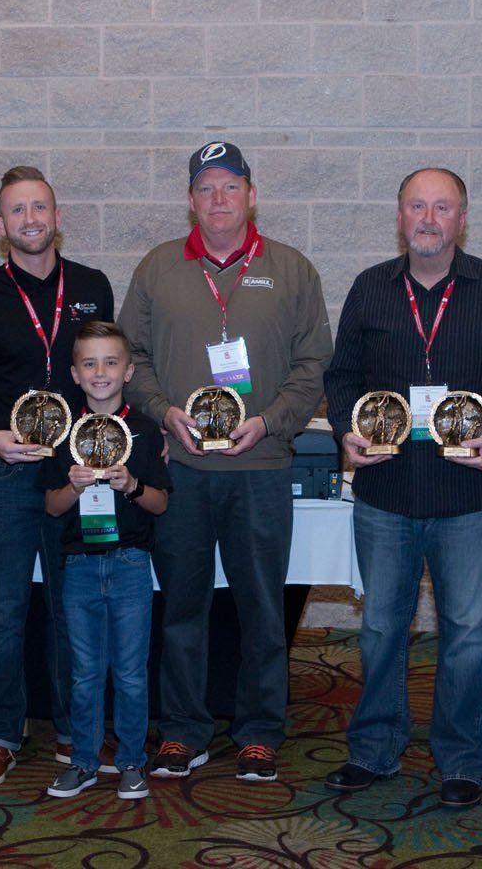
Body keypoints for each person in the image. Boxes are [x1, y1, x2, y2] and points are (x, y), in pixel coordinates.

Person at [322, 168, 482, 806]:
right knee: (379, 632)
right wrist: (346, 429)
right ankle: (374, 751)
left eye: (442, 207)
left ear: (461, 218)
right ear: (399, 217)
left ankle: (461, 761)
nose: (429, 218)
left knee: (467, 636)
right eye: (417, 206)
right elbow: (340, 376)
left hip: (468, 500)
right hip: (385, 496)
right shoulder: (370, 289)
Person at [118, 141, 332, 782]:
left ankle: (260, 731)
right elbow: (130, 359)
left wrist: (268, 421)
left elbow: (313, 365)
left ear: (252, 194)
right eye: (206, 188)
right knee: (183, 606)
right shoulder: (158, 268)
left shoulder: (292, 270)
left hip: (262, 468)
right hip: (181, 471)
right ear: (190, 200)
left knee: (262, 608)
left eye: (230, 187)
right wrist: (162, 410)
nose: (218, 199)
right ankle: (183, 731)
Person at [0, 166, 114, 787]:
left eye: (40, 208)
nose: (30, 219)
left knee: (76, 607)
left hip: (79, 474)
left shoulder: (92, 286)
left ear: (57, 216)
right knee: (4, 610)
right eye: (17, 210)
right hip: (6, 473)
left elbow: (109, 375)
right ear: (0, 224)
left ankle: (75, 730)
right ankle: (2, 734)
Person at [38, 322, 171, 801]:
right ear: (74, 374)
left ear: (129, 371)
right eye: (89, 363)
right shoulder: (64, 431)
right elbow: (51, 508)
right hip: (78, 567)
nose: (100, 372)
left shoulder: (145, 430)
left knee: (131, 671)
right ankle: (84, 762)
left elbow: (159, 504)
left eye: (111, 362)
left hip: (132, 562)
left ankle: (132, 761)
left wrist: (130, 485)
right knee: (85, 671)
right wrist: (73, 487)